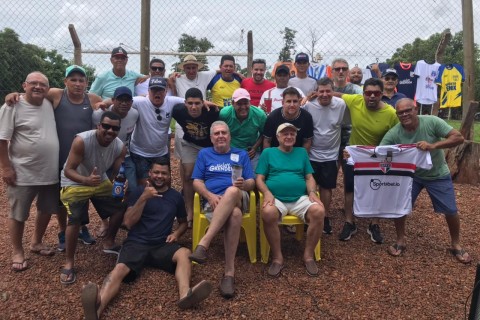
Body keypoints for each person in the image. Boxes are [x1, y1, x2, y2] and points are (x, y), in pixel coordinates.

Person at [80, 159, 212, 320]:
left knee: (184, 253)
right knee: (119, 270)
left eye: (164, 173)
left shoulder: (175, 197)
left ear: (170, 176)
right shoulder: (138, 192)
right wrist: (144, 198)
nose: (159, 176)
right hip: (136, 243)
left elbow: (184, 223)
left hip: (161, 244)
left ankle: (185, 295)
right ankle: (97, 309)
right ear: (149, 173)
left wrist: (176, 234)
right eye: (156, 172)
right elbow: (128, 222)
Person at [4, 65, 104, 250]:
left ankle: (81, 228)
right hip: (57, 162)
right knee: (60, 201)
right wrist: (13, 94)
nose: (77, 83)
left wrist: (103, 104)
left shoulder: (91, 99)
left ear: (86, 83)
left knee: (78, 196)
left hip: (80, 160)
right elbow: (32, 92)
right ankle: (62, 231)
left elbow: (108, 106)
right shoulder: (57, 95)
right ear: (65, 82)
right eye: (73, 79)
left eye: (81, 80)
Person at [380, 98, 471, 263]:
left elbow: (458, 138)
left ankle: (456, 244)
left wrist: (433, 146)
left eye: (408, 110)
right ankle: (401, 240)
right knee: (400, 207)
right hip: (411, 176)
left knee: (450, 210)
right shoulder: (395, 132)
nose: (405, 114)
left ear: (415, 109)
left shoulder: (431, 122)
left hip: (437, 174)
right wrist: (353, 155)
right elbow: (380, 151)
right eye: (401, 112)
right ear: (397, 115)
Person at [189, 121, 255, 298]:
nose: (220, 136)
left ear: (229, 136)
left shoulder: (240, 154)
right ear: (211, 138)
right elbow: (196, 181)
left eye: (224, 133)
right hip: (213, 202)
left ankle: (204, 243)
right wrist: (209, 196)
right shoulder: (204, 154)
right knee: (234, 214)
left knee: (232, 190)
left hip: (240, 197)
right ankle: (229, 274)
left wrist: (244, 184)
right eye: (216, 133)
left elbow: (251, 182)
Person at [0, 72, 59, 272]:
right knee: (19, 213)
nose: (38, 87)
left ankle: (36, 242)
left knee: (46, 209)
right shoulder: (12, 105)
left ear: (48, 88)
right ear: (24, 85)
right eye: (33, 83)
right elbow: (2, 139)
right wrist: (6, 167)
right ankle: (17, 250)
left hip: (49, 171)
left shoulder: (50, 104)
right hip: (22, 171)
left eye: (42, 84)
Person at [59, 111, 127, 284]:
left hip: (99, 180)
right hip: (75, 181)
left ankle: (109, 242)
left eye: (115, 128)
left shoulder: (120, 146)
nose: (110, 131)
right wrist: (86, 180)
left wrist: (121, 183)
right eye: (106, 126)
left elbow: (117, 172)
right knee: (74, 219)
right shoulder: (82, 140)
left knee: (120, 206)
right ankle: (69, 262)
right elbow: (68, 170)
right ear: (98, 126)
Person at [256, 123, 325, 277]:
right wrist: (266, 192)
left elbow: (309, 177)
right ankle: (277, 257)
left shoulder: (301, 153)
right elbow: (259, 179)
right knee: (267, 213)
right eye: (285, 134)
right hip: (276, 198)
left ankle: (308, 256)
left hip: (300, 198)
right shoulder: (268, 153)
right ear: (278, 137)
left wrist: (312, 192)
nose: (289, 137)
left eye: (292, 134)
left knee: (319, 211)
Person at [335, 78, 398, 243]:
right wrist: (312, 95)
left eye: (376, 93)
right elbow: (337, 94)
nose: (371, 96)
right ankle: (350, 221)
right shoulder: (356, 100)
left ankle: (374, 223)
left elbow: (397, 137)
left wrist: (391, 158)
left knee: (376, 188)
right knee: (349, 187)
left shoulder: (390, 113)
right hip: (355, 154)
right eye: (368, 93)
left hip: (378, 156)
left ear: (382, 94)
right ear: (363, 94)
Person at [92, 86, 139, 237]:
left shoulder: (134, 114)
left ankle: (125, 217)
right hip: (103, 156)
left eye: (127, 100)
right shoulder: (99, 114)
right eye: (120, 100)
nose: (124, 103)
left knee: (131, 187)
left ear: (131, 102)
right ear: (113, 100)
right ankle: (105, 221)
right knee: (100, 190)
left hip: (124, 155)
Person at [303, 77, 347, 235]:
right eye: (321, 91)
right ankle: (310, 215)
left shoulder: (341, 105)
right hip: (312, 153)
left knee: (327, 187)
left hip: (331, 154)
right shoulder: (309, 106)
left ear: (332, 91)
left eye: (328, 91)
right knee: (310, 186)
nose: (324, 94)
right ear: (316, 91)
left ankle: (325, 216)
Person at [171, 87, 219, 225]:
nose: (193, 107)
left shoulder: (212, 112)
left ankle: (210, 204)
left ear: (203, 103)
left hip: (209, 146)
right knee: (188, 175)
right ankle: (189, 210)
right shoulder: (178, 110)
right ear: (185, 103)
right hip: (190, 143)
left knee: (210, 174)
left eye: (197, 103)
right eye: (190, 103)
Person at [129, 77, 184, 185]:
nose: (157, 93)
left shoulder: (171, 101)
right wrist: (101, 104)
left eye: (160, 90)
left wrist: (205, 102)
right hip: (139, 152)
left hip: (161, 152)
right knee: (144, 184)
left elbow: (191, 101)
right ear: (148, 91)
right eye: (153, 90)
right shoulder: (140, 102)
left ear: (166, 91)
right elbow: (118, 101)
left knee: (165, 183)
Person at [219, 88, 266, 170]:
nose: (243, 107)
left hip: (251, 151)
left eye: (246, 103)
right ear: (233, 103)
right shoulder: (224, 114)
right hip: (231, 149)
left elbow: (264, 134)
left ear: (250, 102)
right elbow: (220, 132)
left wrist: (254, 148)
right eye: (239, 104)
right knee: (229, 175)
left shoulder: (260, 115)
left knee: (254, 176)